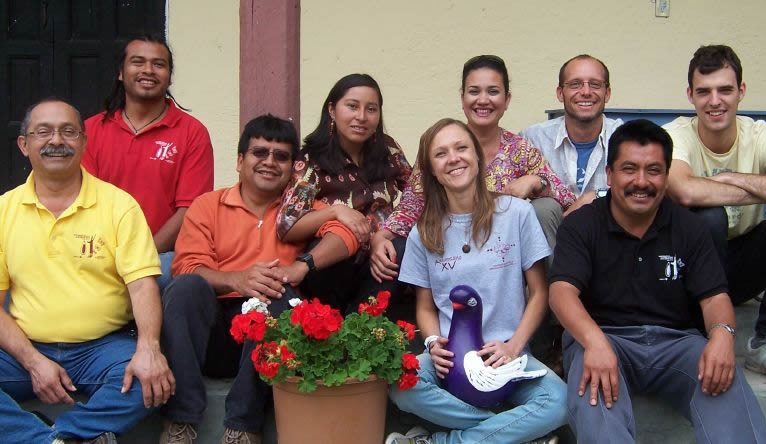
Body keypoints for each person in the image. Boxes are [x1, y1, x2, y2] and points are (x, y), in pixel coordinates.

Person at [549, 119, 766, 443]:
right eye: (629, 169)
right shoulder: (582, 224)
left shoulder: (689, 227)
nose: (641, 181)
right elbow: (561, 293)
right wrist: (594, 342)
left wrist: (723, 336)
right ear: (609, 174)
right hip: (603, 337)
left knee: (724, 380)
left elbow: (714, 297)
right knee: (595, 402)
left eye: (653, 170)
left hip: (677, 343)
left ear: (666, 176)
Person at [158, 114, 360, 444]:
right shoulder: (208, 205)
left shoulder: (302, 209)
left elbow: (346, 236)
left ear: (293, 168)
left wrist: (302, 266)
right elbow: (187, 266)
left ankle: (243, 427)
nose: (269, 162)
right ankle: (181, 420)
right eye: (259, 152)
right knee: (184, 288)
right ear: (240, 161)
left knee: (281, 295)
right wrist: (236, 280)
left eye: (281, 156)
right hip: (214, 334)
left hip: (268, 332)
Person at [0, 98, 175, 443]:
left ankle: (59, 436)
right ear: (23, 144)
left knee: (149, 381)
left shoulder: (119, 206)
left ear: (83, 142)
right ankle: (53, 440)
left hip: (102, 350)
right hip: (23, 350)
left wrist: (149, 348)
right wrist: (33, 361)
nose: (56, 140)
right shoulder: (4, 211)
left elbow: (142, 286)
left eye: (68, 132)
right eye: (43, 132)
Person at [386, 118, 567, 444]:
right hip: (452, 360)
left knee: (560, 402)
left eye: (461, 148)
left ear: (478, 156)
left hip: (509, 357)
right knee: (401, 383)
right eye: (441, 154)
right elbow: (425, 307)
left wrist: (514, 345)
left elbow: (539, 293)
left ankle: (441, 442)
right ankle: (513, 433)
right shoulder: (423, 232)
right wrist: (432, 342)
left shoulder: (516, 213)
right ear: (431, 170)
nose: (453, 158)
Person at [665, 44, 766, 389]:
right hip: (685, 274)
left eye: (725, 90)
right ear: (690, 95)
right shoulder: (676, 135)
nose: (715, 101)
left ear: (741, 91)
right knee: (709, 217)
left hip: (742, 264)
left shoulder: (761, 135)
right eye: (704, 91)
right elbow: (684, 191)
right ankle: (699, 335)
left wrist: (736, 179)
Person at [378, 55, 575, 281]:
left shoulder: (519, 150)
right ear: (462, 98)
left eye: (493, 91)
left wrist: (536, 181)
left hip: (503, 263)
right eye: (474, 91)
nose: (483, 100)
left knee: (545, 207)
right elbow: (412, 203)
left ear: (507, 100)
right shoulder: (440, 145)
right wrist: (382, 236)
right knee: (394, 251)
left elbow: (566, 198)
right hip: (449, 258)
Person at [82, 34, 214, 290]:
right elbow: (81, 202)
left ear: (169, 76)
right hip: (98, 253)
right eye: (138, 62)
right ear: (121, 72)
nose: (148, 70)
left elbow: (189, 211)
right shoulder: (91, 130)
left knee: (185, 278)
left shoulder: (192, 132)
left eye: (158, 64)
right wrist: (106, 259)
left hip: (160, 256)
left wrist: (141, 258)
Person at [276, 73, 411, 315]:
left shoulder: (388, 150)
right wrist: (336, 212)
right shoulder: (312, 159)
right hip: (332, 265)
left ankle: (363, 324)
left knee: (399, 248)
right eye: (352, 106)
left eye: (371, 109)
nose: (362, 117)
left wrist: (385, 234)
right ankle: (341, 325)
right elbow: (288, 226)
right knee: (331, 243)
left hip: (378, 261)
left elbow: (416, 195)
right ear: (332, 110)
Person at [521, 54, 624, 214]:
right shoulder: (533, 139)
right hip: (553, 228)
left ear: (607, 93)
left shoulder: (626, 138)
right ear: (560, 93)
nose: (586, 92)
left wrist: (596, 196)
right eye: (575, 84)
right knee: (543, 207)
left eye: (595, 84)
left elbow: (643, 189)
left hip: (609, 227)